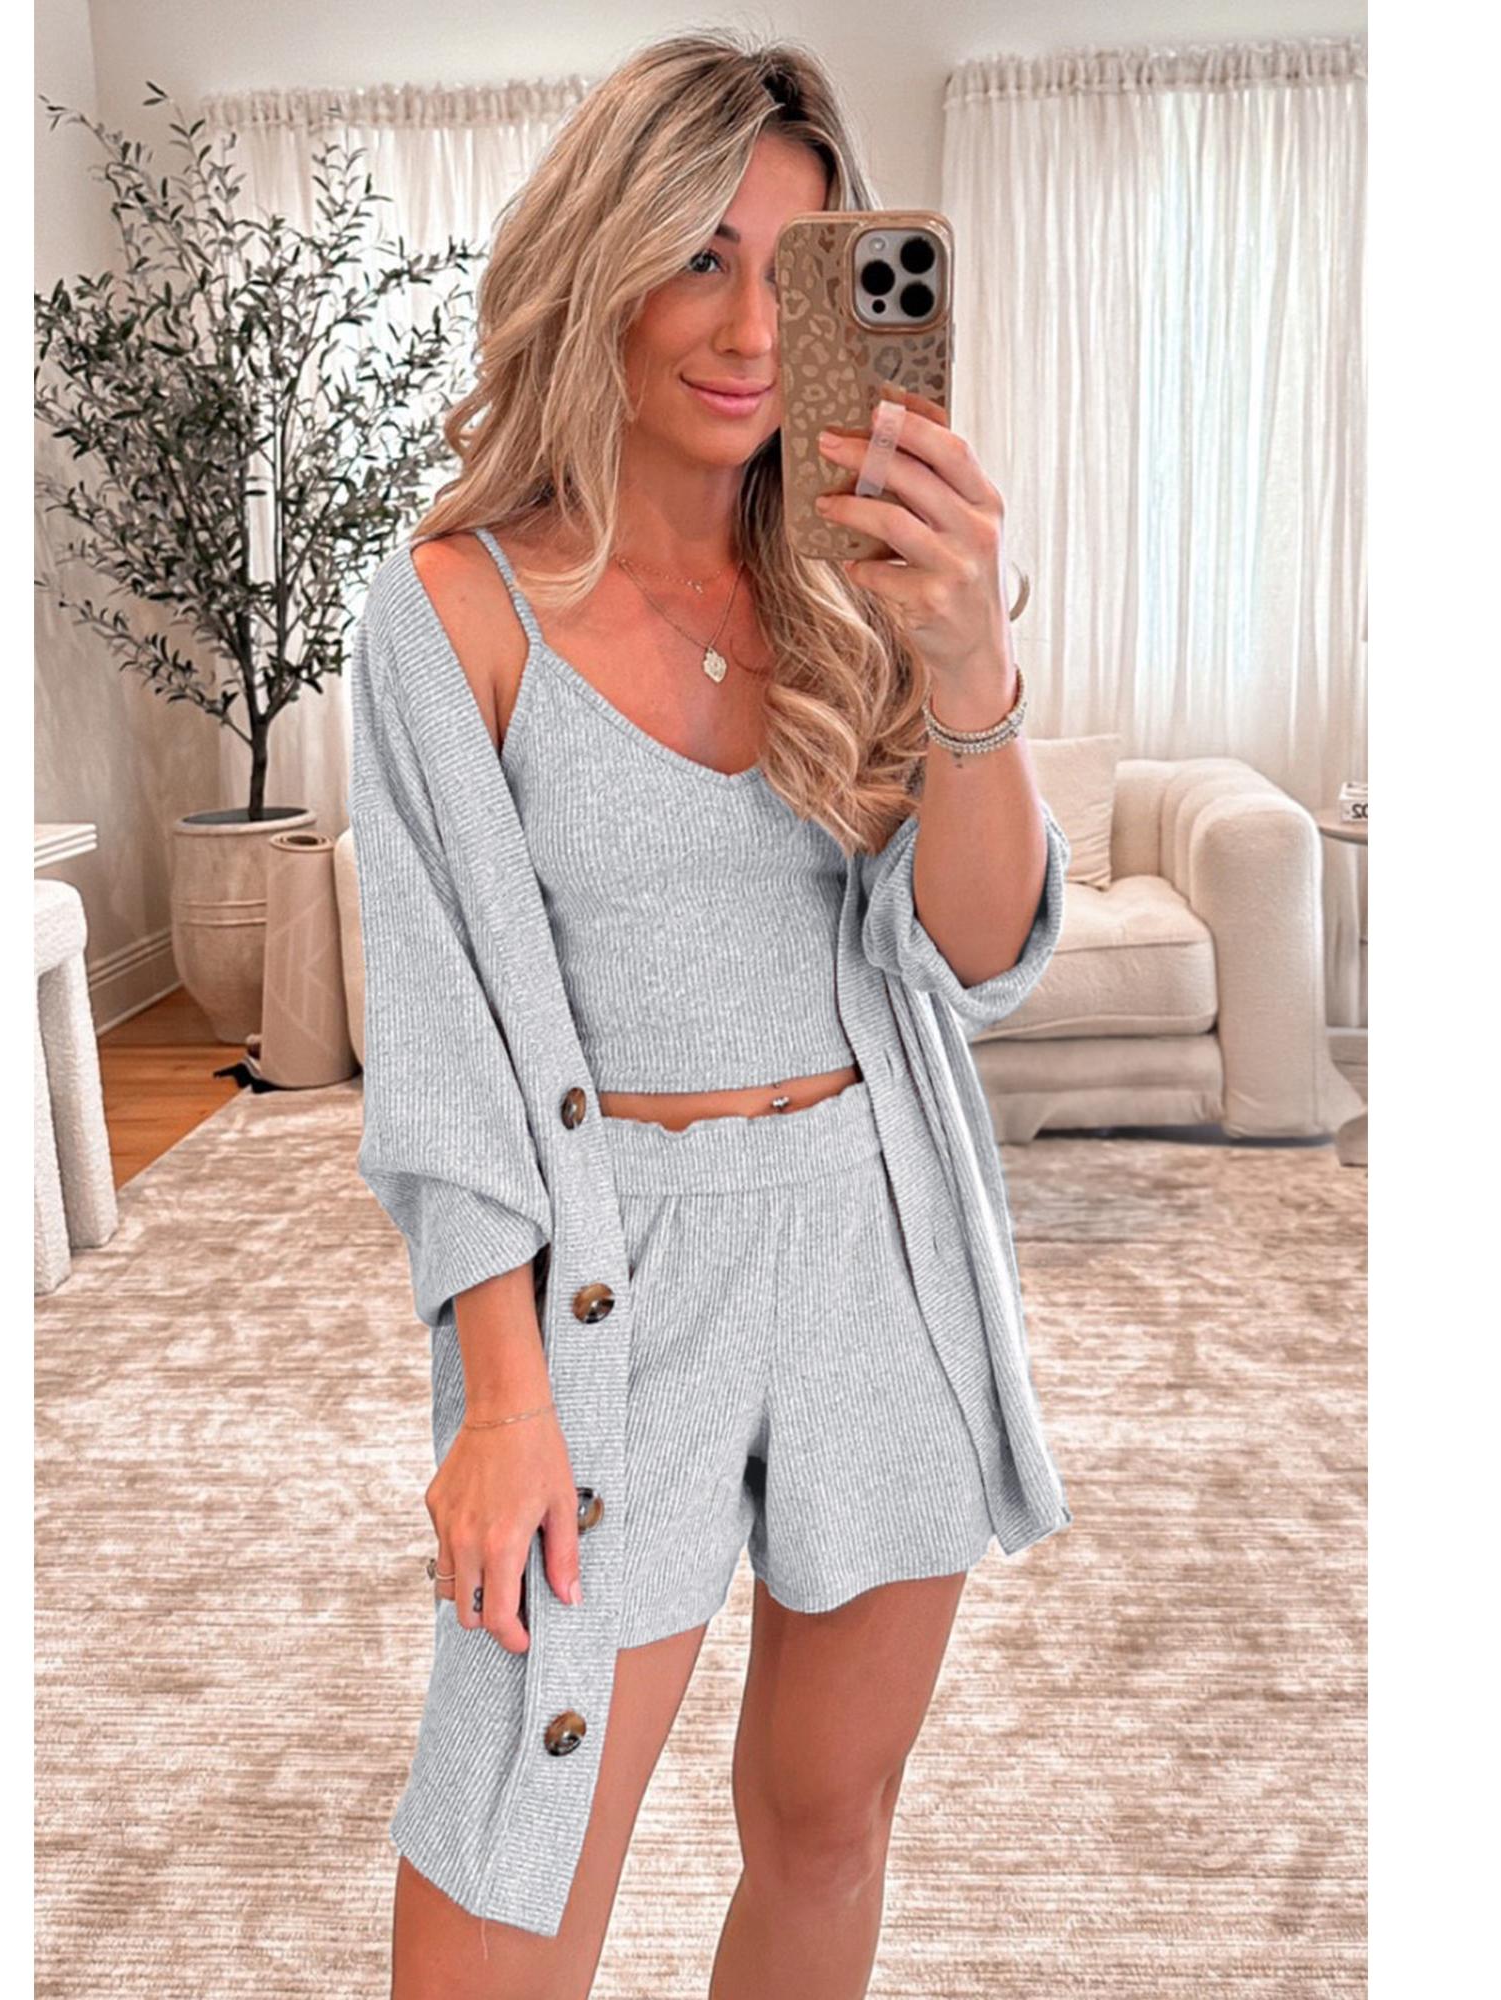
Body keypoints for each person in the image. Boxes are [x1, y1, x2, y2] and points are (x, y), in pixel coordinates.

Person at [349, 30, 1073, 2000]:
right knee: (499, 1891)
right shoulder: (452, 611)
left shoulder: (867, 584)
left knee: (827, 1824)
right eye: (698, 257)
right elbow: (444, 1053)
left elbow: (976, 955)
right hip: (612, 1281)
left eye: (796, 269)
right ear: (599, 262)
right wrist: (502, 1400)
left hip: (875, 1245)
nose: (753, 330)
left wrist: (967, 665)